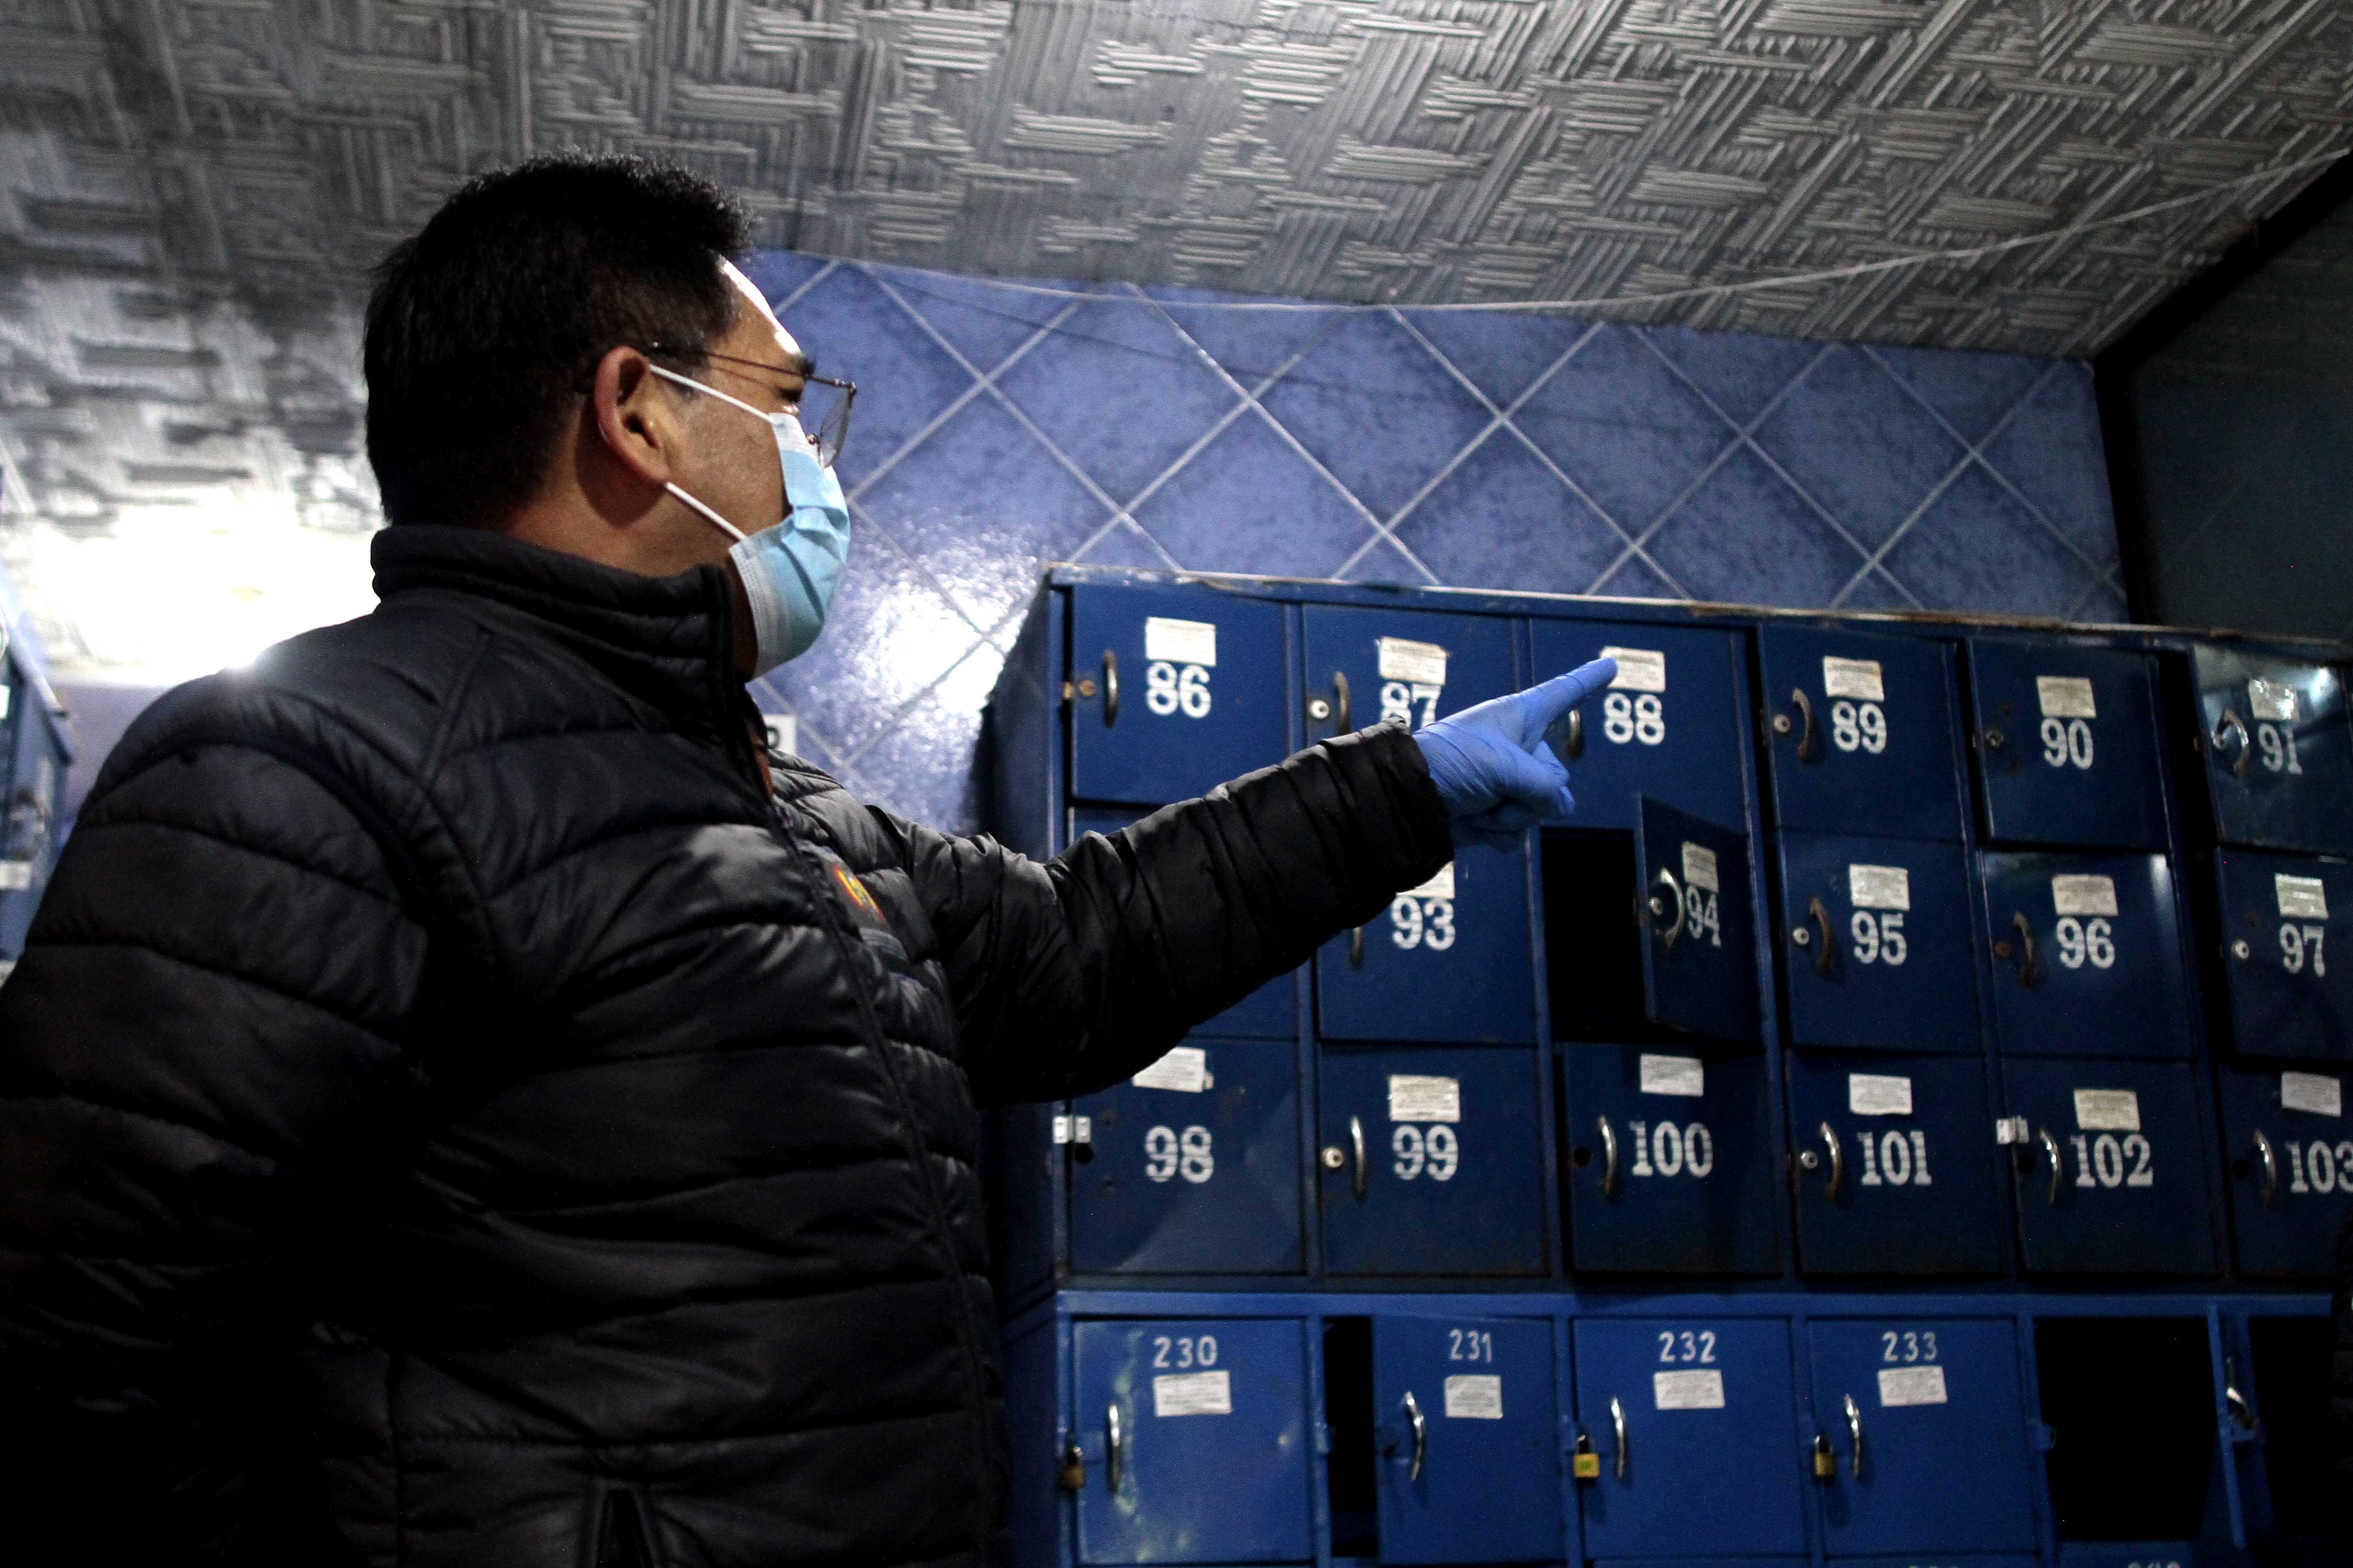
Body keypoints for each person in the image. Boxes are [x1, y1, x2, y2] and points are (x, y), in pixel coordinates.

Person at [0, 154, 1613, 1567]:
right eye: (782, 406)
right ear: (636, 410)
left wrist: (1399, 789)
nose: (814, 465)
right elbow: (83, 1368)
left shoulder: (788, 808)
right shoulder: (300, 764)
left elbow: (1074, 953)